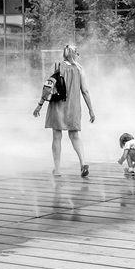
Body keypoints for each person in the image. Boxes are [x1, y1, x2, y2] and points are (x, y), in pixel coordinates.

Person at [32, 43, 96, 177]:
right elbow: (85, 91)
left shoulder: (56, 67)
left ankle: (57, 169)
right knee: (75, 136)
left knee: (57, 137)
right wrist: (91, 110)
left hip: (58, 106)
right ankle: (83, 163)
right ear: (75, 55)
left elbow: (48, 87)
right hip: (74, 107)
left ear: (64, 54)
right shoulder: (80, 69)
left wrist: (40, 104)